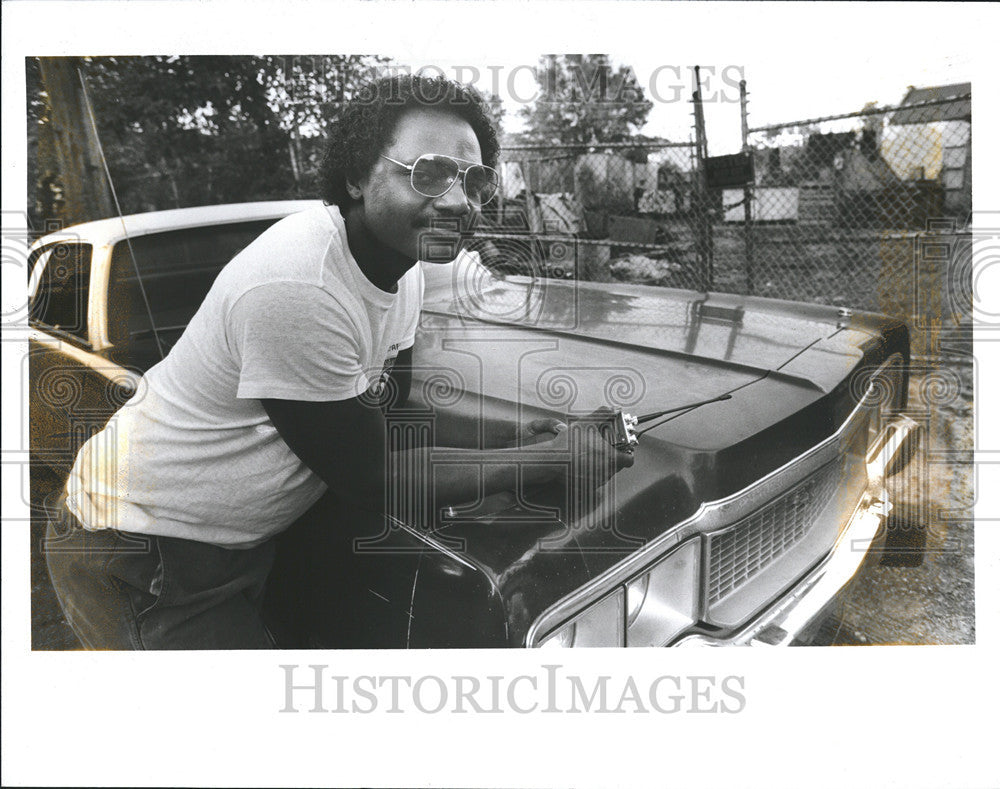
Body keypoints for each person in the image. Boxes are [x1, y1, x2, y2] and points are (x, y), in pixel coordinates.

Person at [46, 74, 634, 650]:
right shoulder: (298, 283)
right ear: (356, 177)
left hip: (235, 544)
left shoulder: (401, 272)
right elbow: (373, 477)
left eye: (474, 180)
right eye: (428, 174)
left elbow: (389, 418)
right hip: (141, 548)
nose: (458, 201)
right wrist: (553, 457)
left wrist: (518, 434)